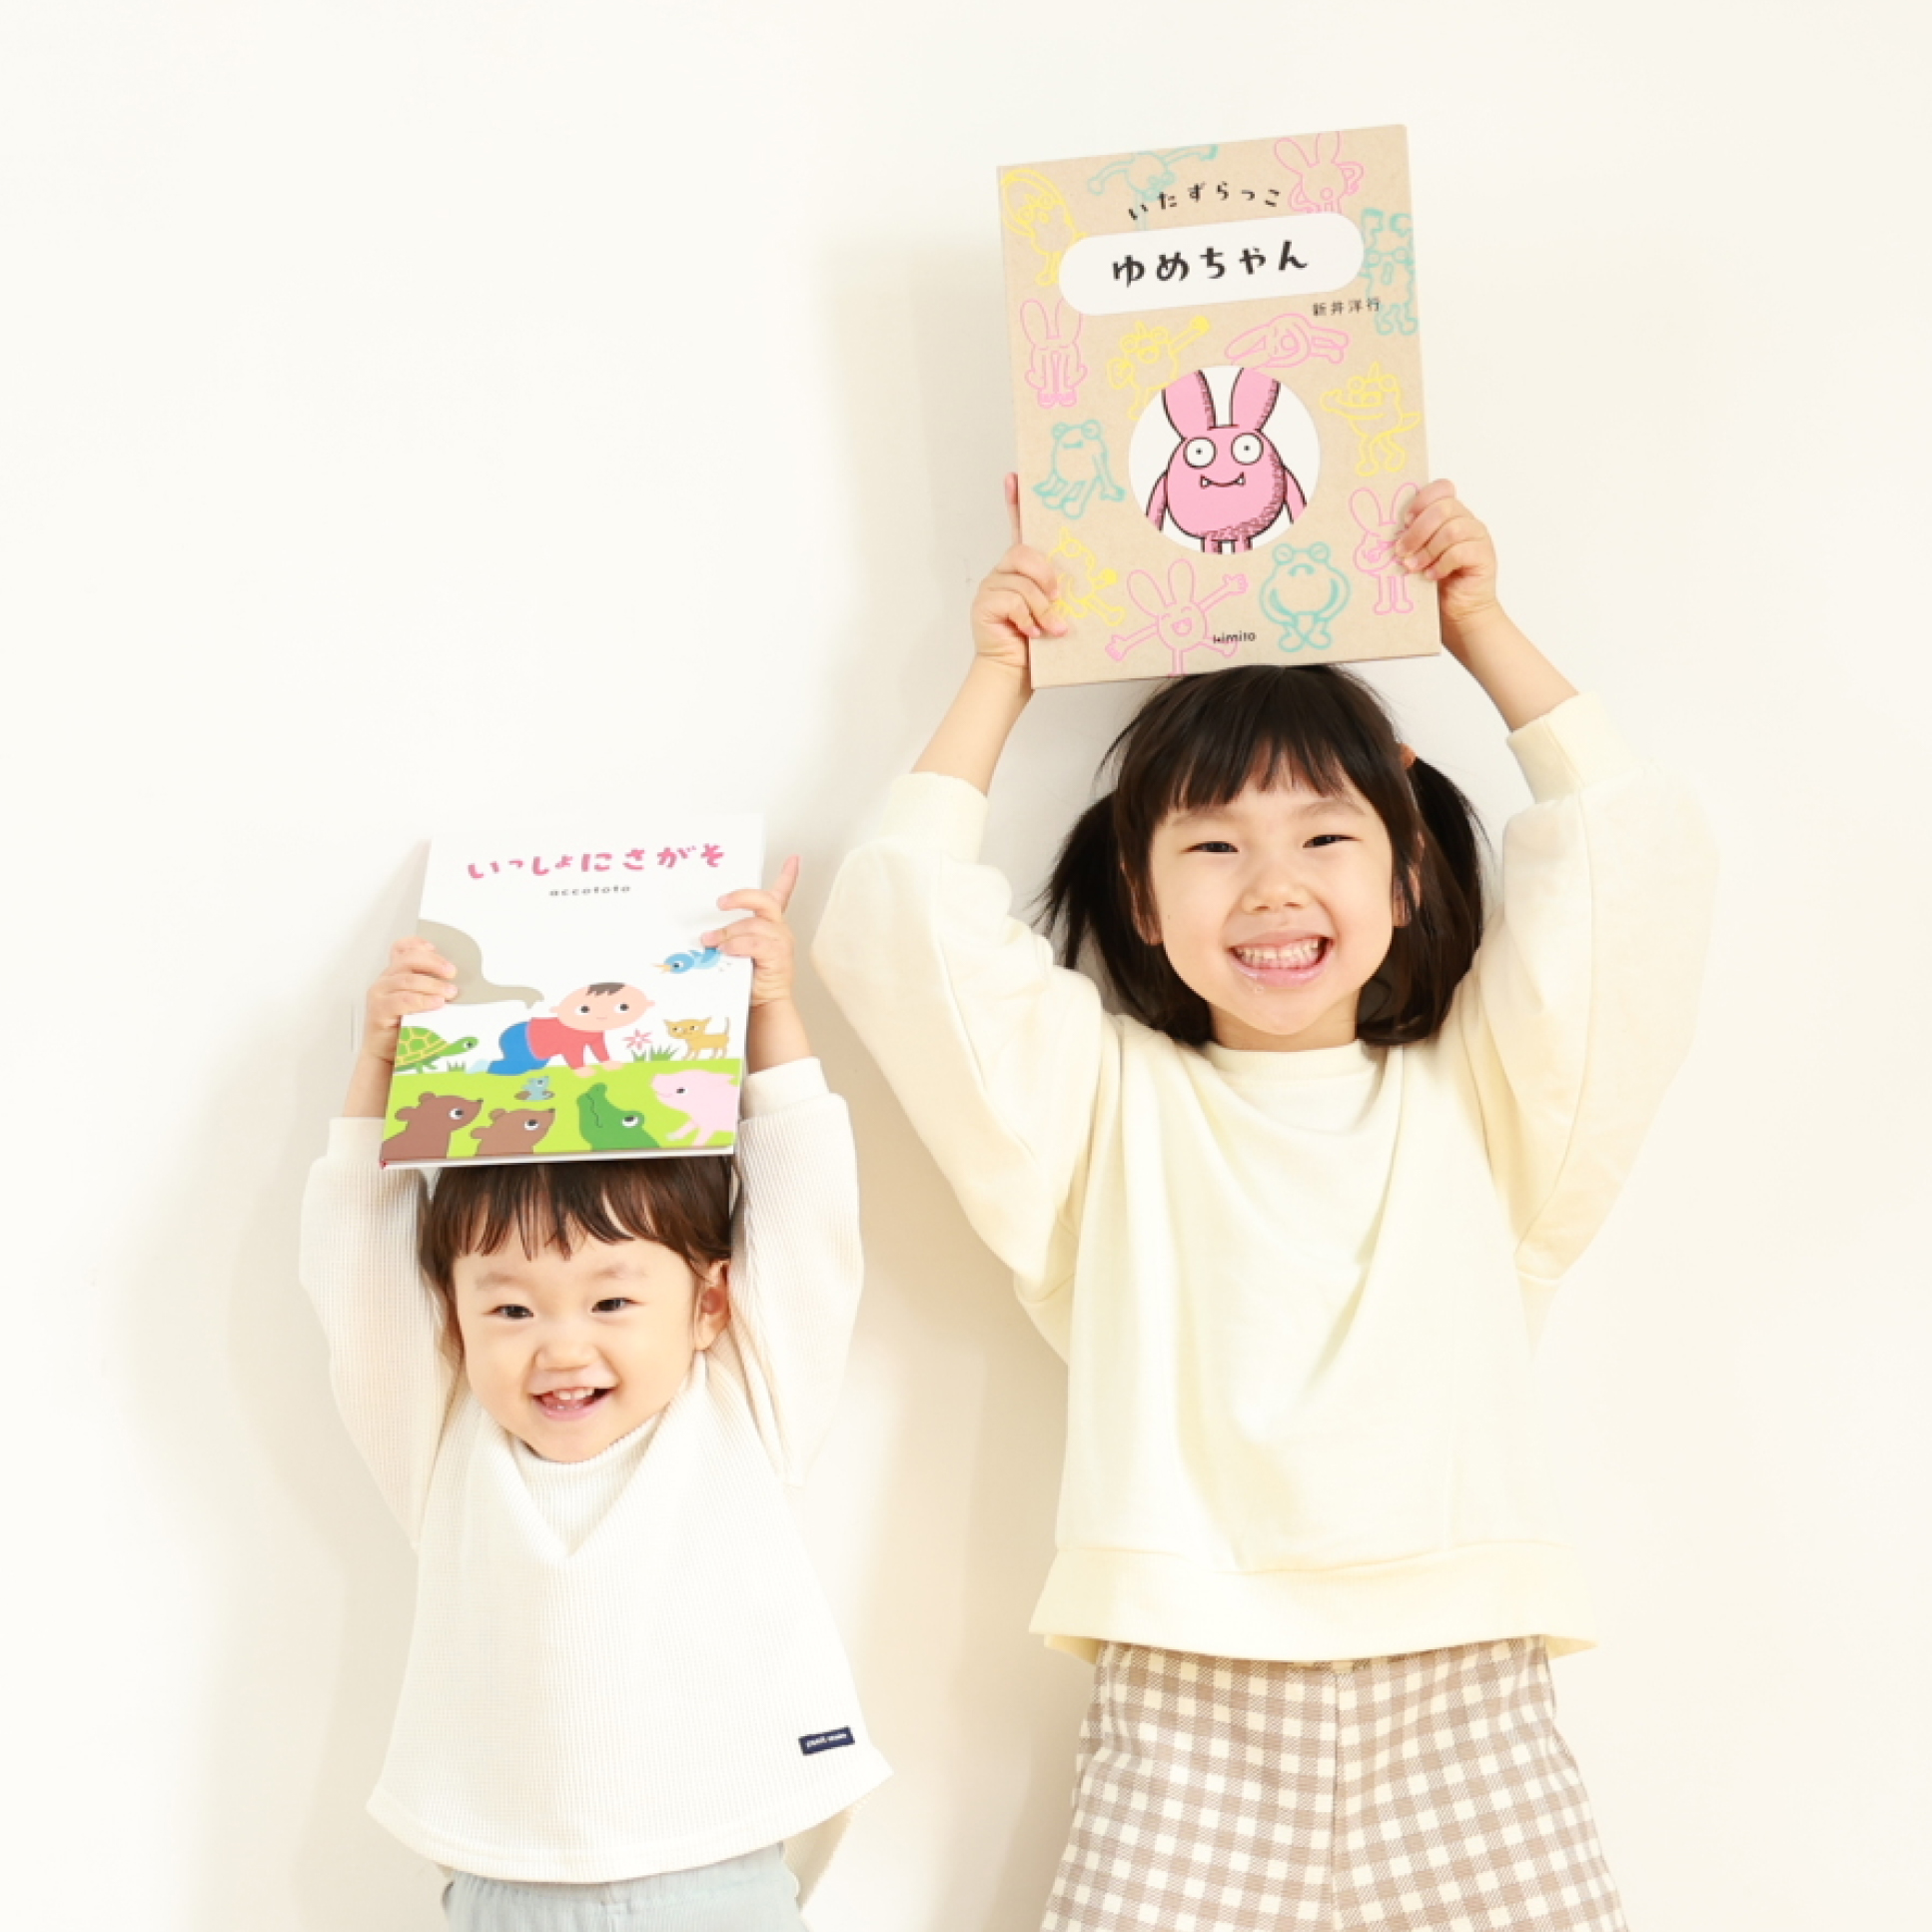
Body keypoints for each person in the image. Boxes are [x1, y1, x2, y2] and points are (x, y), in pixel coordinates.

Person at [812, 478, 1715, 1930]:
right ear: (1141, 897)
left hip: (1463, 1694)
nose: (1271, 887)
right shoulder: (1101, 1110)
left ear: (1406, 870)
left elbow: (1633, 870)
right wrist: (999, 676)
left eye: (1322, 837)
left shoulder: (1486, 1101)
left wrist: (1478, 628)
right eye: (1213, 844)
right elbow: (896, 927)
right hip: (1187, 1704)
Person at [302, 858, 885, 1932]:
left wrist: (769, 1010)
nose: (561, 1347)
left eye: (612, 1300)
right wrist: (378, 1064)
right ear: (453, 1321)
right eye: (511, 1309)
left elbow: (807, 1223)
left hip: (721, 1880)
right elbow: (361, 1277)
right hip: (507, 1890)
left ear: (710, 1302)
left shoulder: (743, 1408)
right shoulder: (444, 1443)